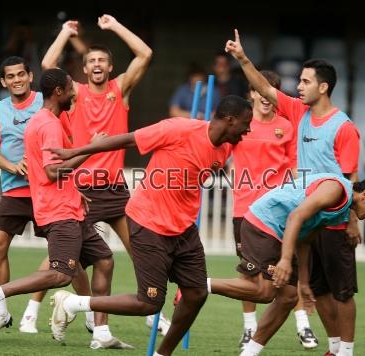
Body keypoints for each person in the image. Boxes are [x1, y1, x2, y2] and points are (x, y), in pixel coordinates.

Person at [44, 95, 252, 355]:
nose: (248, 129)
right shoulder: (179, 129)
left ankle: (161, 354)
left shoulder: (227, 147)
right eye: (245, 123)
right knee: (150, 302)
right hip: (149, 223)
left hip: (184, 228)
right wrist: (78, 151)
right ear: (229, 120)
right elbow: (128, 139)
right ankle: (74, 303)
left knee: (197, 293)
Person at [0, 68, 133, 349]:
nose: (75, 92)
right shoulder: (48, 125)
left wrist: (75, 189)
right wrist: (90, 149)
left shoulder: (48, 121)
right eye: (71, 87)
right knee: (61, 274)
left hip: (69, 206)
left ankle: (101, 333)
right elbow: (50, 172)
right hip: (58, 213)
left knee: (105, 260)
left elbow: (53, 171)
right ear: (59, 92)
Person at [226, 29, 361, 356]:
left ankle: (347, 351)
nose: (298, 87)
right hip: (306, 218)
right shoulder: (298, 113)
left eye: (305, 82)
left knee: (342, 291)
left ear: (323, 87)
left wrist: (353, 219)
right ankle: (333, 348)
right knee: (318, 289)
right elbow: (262, 87)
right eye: (298, 82)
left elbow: (349, 178)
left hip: (334, 218)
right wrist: (243, 59)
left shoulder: (344, 127)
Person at [40, 14, 159, 341]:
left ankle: (139, 313)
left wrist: (115, 26)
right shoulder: (74, 93)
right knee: (71, 259)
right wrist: (65, 32)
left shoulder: (120, 90)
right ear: (83, 67)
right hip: (82, 191)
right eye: (90, 60)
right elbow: (49, 65)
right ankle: (70, 307)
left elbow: (145, 54)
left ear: (109, 68)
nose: (96, 64)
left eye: (102, 60)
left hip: (115, 189)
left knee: (140, 250)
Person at [210, 173, 365, 356]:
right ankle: (199, 285)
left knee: (289, 297)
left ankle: (249, 353)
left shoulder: (342, 211)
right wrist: (285, 259)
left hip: (282, 234)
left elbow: (306, 240)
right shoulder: (335, 189)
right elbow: (295, 217)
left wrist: (304, 282)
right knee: (264, 292)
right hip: (264, 223)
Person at [0, 58, 93, 339]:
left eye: (21, 74)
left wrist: (72, 187)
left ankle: (91, 313)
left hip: (48, 192)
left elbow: (65, 147)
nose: (16, 80)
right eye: (10, 76)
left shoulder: (49, 101)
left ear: (30, 76)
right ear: (4, 82)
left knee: (69, 258)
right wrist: (12, 166)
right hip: (16, 189)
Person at [229, 70, 315, 350]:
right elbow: (215, 149)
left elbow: (293, 165)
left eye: (272, 90)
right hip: (244, 209)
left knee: (290, 269)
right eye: (259, 90)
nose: (265, 96)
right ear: (251, 93)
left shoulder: (287, 126)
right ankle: (248, 328)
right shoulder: (239, 125)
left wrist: (290, 195)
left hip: (278, 212)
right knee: (249, 273)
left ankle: (302, 324)